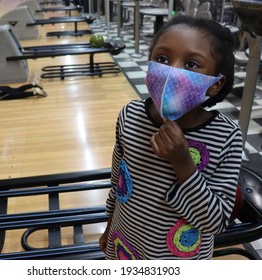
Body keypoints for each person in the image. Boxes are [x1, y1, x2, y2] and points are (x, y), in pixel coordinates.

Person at [99, 16, 243, 260]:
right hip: (124, 247)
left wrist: (182, 162)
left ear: (215, 85)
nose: (171, 72)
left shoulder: (227, 137)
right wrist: (108, 226)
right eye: (162, 59)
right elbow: (117, 184)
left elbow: (216, 221)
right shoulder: (130, 116)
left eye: (192, 64)